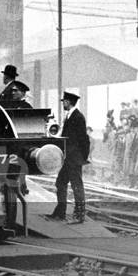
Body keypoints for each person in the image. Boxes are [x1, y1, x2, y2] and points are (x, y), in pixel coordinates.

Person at [47, 91, 90, 224]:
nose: (63, 104)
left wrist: (82, 157)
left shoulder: (78, 117)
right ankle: (60, 211)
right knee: (60, 182)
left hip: (74, 158)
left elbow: (84, 139)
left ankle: (79, 215)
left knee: (77, 185)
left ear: (68, 102)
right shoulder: (70, 116)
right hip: (68, 157)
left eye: (64, 101)